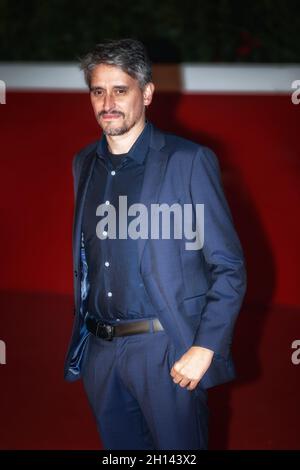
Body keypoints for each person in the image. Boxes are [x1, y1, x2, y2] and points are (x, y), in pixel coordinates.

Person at [64, 38, 247, 450]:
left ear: (146, 92)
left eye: (120, 89)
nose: (107, 102)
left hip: (166, 352)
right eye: (98, 91)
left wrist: (205, 346)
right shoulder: (84, 164)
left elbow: (229, 266)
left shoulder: (188, 162)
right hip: (100, 353)